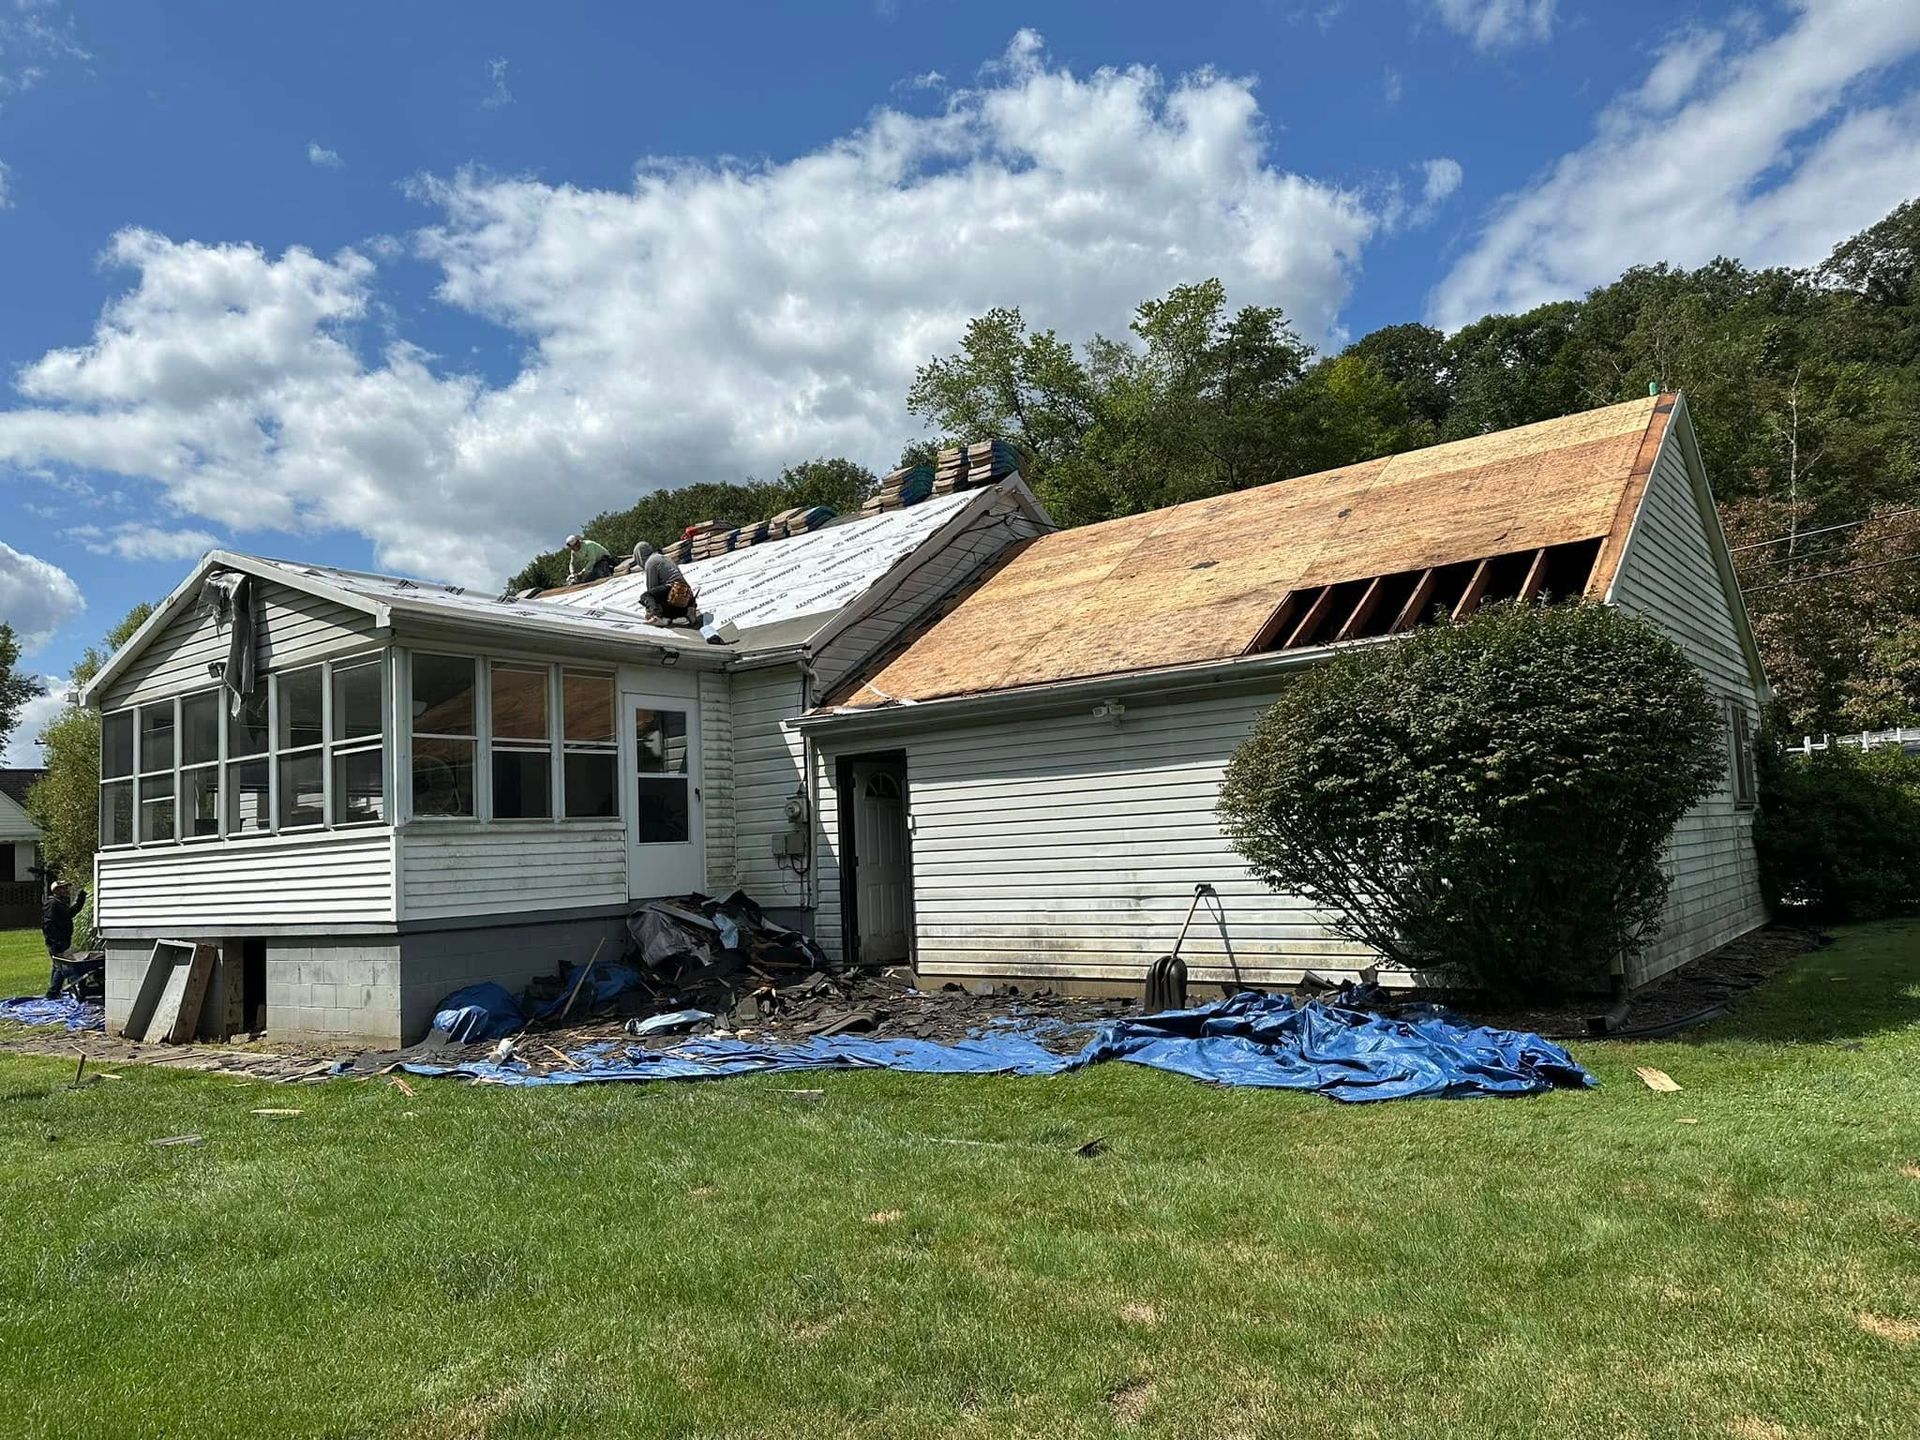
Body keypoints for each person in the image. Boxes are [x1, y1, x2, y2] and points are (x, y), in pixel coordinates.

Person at [632, 541, 701, 626]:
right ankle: (687, 611)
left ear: (639, 556)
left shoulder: (650, 562)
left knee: (646, 596)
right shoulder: (663, 557)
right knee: (664, 607)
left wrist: (650, 611)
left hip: (673, 590)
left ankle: (656, 617)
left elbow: (652, 588)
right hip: (686, 594)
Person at [41, 880, 88, 1000]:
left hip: (63, 941)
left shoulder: (60, 903)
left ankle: (53, 993)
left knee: (58, 966)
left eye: (66, 888)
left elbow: (71, 913)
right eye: (63, 888)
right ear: (56, 890)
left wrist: (81, 898)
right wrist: (55, 941)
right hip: (57, 942)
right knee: (64, 966)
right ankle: (55, 993)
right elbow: (48, 924)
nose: (66, 890)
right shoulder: (52, 903)